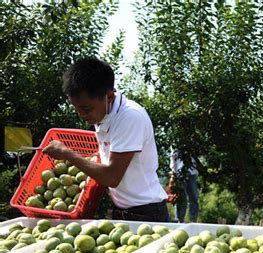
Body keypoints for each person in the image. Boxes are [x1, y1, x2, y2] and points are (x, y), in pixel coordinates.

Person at [43, 57, 170, 222]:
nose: (81, 115)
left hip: (147, 214)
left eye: (86, 108)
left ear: (109, 97)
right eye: (76, 108)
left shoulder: (129, 117)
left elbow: (111, 177)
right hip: (121, 210)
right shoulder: (102, 114)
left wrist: (68, 154)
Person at [169, 150, 199, 222]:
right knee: (181, 198)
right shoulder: (177, 142)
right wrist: (173, 172)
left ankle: (193, 219)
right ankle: (179, 219)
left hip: (192, 172)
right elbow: (173, 156)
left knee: (194, 197)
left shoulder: (192, 143)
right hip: (179, 173)